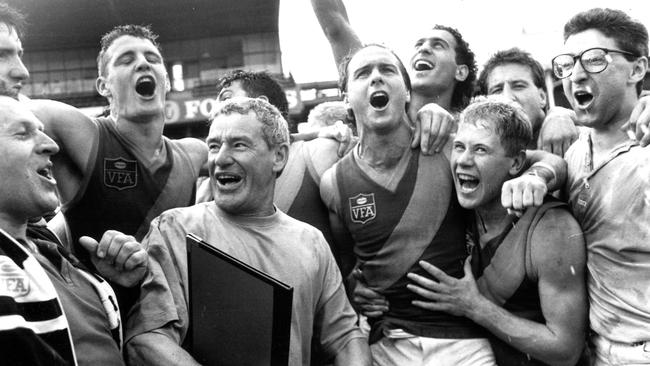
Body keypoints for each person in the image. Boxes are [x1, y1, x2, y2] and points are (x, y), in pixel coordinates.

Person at [319, 44, 564, 365]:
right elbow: (347, 264)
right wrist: (356, 286)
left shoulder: (450, 148)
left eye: (387, 70)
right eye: (363, 74)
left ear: (407, 92)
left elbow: (547, 161)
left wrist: (539, 176)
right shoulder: (333, 183)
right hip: (389, 341)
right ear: (347, 96)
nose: (376, 78)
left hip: (465, 340)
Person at [125, 97, 370, 366]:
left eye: (238, 145)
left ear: (278, 156)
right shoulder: (174, 229)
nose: (220, 158)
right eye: (214, 146)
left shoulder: (311, 242)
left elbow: (345, 336)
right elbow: (146, 339)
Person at [407, 97, 587, 366]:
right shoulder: (456, 203)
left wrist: (474, 307)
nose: (464, 161)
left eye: (480, 150)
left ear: (515, 164)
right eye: (459, 147)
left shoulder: (552, 228)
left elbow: (566, 349)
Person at [0, 93, 147, 365]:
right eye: (23, 134)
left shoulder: (56, 253)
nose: (52, 146)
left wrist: (117, 286)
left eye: (43, 132)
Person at [545, 8, 650, 365]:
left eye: (594, 60)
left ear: (637, 69)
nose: (575, 74)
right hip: (596, 349)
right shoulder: (574, 150)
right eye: (568, 63)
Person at [195, 70, 343, 253]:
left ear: (263, 105)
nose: (218, 109)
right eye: (215, 147)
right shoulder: (208, 176)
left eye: (226, 99)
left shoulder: (320, 153)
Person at [312, 0, 475, 153]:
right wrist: (324, 137)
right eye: (419, 44)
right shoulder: (368, 97)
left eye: (438, 45)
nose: (423, 49)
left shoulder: (470, 128)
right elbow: (335, 26)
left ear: (460, 72)